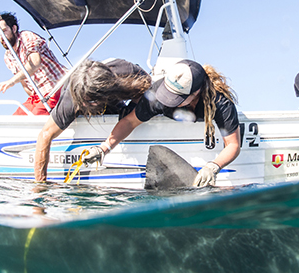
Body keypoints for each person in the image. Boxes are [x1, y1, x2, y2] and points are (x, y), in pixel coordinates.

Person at [84, 59, 241, 187]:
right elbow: (129, 122)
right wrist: (103, 148)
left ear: (196, 93)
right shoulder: (157, 95)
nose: (169, 101)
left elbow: (233, 144)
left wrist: (213, 167)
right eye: (168, 94)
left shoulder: (219, 102)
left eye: (176, 97)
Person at [33, 58, 152, 182]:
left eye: (90, 101)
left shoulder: (127, 72)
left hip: (112, 96)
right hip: (79, 99)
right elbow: (45, 135)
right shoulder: (71, 101)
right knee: (83, 106)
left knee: (132, 110)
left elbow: (149, 86)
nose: (86, 104)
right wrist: (41, 182)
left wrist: (132, 111)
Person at [0, 12, 67, 115]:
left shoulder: (26, 36)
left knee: (37, 115)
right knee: (14, 120)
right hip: (38, 95)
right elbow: (24, 84)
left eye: (4, 31)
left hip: (57, 87)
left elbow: (35, 63)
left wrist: (11, 82)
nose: (1, 36)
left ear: (13, 28)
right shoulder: (8, 57)